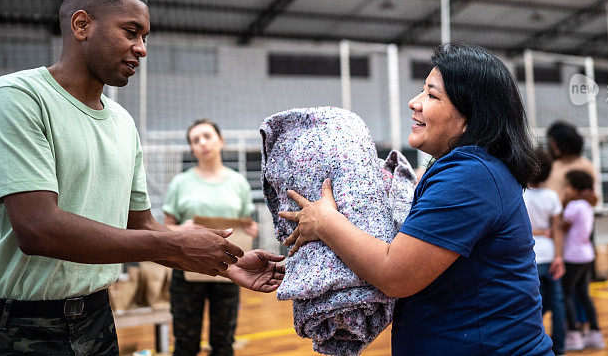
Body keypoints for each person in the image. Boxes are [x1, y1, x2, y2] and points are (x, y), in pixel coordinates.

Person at [0, 0, 284, 354]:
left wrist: (230, 263)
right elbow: (37, 228)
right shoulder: (18, 97)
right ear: (81, 25)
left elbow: (142, 226)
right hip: (20, 324)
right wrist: (176, 242)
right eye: (131, 32)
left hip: (97, 316)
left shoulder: (122, 122)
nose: (142, 49)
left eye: (145, 37)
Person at [237, 43, 553, 354]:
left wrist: (326, 222)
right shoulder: (468, 170)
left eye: (432, 95)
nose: (414, 102)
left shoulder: (469, 177)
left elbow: (396, 276)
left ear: (470, 118)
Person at [163, 119, 259, 356]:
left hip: (227, 271)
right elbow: (164, 230)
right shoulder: (180, 183)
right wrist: (181, 230)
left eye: (207, 136)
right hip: (186, 269)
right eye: (196, 140)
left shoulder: (238, 182)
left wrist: (251, 230)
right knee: (185, 344)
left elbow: (245, 225)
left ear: (221, 140)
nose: (202, 143)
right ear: (192, 149)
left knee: (224, 342)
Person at [524, 149, 567, 355]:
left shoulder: (520, 194)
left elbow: (521, 230)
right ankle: (559, 348)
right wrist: (559, 256)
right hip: (551, 255)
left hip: (532, 258)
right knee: (558, 305)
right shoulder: (552, 196)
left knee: (535, 307)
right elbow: (557, 230)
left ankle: (537, 347)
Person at [560, 170, 605, 351]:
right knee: (584, 295)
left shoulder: (574, 205)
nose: (564, 188)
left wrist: (563, 204)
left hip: (573, 256)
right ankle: (595, 333)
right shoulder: (586, 205)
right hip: (586, 255)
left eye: (567, 185)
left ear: (575, 187)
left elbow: (561, 226)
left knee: (566, 294)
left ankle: (573, 334)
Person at [544, 121, 596, 199]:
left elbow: (593, 197)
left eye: (554, 142)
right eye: (550, 143)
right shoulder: (549, 165)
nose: (552, 146)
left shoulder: (585, 165)